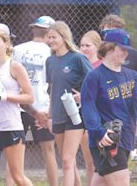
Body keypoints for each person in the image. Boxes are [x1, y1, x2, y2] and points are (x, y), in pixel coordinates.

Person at [80, 29, 137, 186]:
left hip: (126, 137)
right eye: (122, 49)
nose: (125, 53)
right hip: (107, 139)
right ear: (109, 48)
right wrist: (99, 133)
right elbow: (88, 109)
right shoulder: (94, 77)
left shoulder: (133, 76)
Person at [0, 23, 34, 186]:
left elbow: (29, 97)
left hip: (11, 126)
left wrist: (6, 96)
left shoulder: (14, 66)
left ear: (7, 44)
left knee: (17, 177)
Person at [11, 16, 59, 186]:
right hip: (43, 108)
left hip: (19, 106)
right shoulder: (52, 53)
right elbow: (54, 84)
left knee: (15, 153)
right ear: (50, 33)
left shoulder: (16, 50)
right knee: (49, 152)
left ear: (33, 30)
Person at [99, 14, 137, 160]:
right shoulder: (99, 55)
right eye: (105, 33)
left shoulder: (133, 55)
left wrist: (128, 83)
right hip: (104, 107)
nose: (108, 37)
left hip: (125, 107)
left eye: (112, 33)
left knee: (119, 151)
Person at [46, 21, 93, 186]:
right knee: (68, 162)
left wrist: (83, 95)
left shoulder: (78, 58)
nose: (50, 40)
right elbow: (52, 89)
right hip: (58, 115)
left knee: (67, 160)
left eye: (54, 37)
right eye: (49, 37)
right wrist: (50, 116)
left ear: (64, 37)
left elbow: (95, 81)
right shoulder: (50, 61)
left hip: (76, 116)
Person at [79, 30, 102, 185]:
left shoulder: (102, 66)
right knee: (89, 163)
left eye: (88, 45)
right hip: (81, 116)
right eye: (81, 45)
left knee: (101, 162)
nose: (84, 49)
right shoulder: (79, 64)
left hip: (100, 117)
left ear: (97, 47)